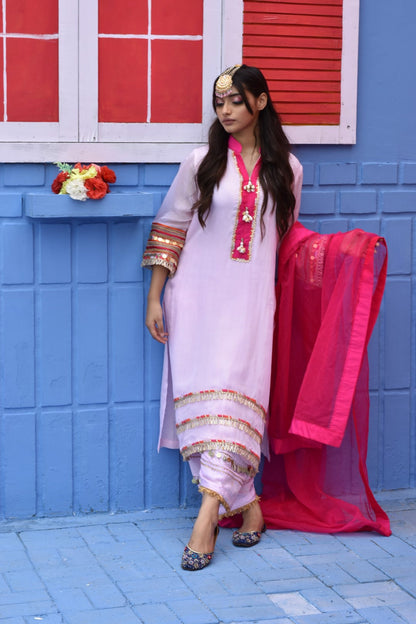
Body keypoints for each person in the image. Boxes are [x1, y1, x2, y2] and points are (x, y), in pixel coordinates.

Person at [142, 64, 303, 570]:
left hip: (252, 304)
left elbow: (287, 240)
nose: (226, 111)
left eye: (235, 100)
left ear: (260, 101)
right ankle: (246, 508)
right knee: (209, 409)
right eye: (219, 103)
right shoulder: (201, 162)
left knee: (239, 399)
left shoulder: (289, 170)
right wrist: (155, 298)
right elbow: (170, 226)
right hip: (195, 300)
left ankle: (206, 519)